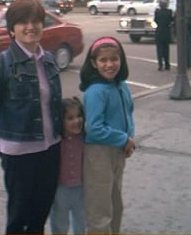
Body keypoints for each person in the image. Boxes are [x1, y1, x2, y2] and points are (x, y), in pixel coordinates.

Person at [0, 0, 63, 235]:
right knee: (19, 216)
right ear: (12, 28)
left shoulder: (50, 60)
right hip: (19, 153)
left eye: (36, 21)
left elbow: (54, 104)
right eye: (23, 22)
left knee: (41, 212)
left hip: (51, 149)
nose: (30, 26)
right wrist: (2, 140)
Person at [79, 36, 135, 235]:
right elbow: (94, 128)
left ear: (121, 60)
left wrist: (129, 138)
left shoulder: (122, 86)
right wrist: (124, 139)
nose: (110, 64)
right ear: (94, 63)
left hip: (118, 151)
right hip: (98, 155)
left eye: (114, 59)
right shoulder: (95, 91)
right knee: (100, 209)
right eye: (103, 60)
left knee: (115, 203)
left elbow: (128, 113)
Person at [50, 97, 85, 235]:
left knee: (81, 221)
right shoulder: (55, 140)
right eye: (70, 118)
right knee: (59, 223)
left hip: (81, 187)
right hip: (60, 189)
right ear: (60, 120)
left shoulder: (85, 137)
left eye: (79, 116)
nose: (76, 121)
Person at [154, 0, 174, 71]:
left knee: (159, 50)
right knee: (166, 49)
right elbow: (171, 20)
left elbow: (155, 20)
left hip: (159, 31)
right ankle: (167, 64)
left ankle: (160, 65)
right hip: (167, 31)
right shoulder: (169, 12)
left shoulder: (157, 12)